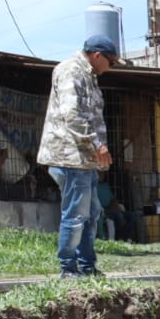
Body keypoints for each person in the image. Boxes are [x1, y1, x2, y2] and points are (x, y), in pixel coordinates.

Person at [36, 35, 124, 278]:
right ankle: (68, 268)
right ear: (97, 55)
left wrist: (96, 153)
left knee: (91, 214)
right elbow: (72, 114)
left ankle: (87, 266)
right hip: (69, 158)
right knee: (76, 215)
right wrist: (97, 145)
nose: (110, 67)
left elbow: (92, 116)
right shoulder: (70, 71)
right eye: (111, 62)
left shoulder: (89, 76)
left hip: (84, 161)